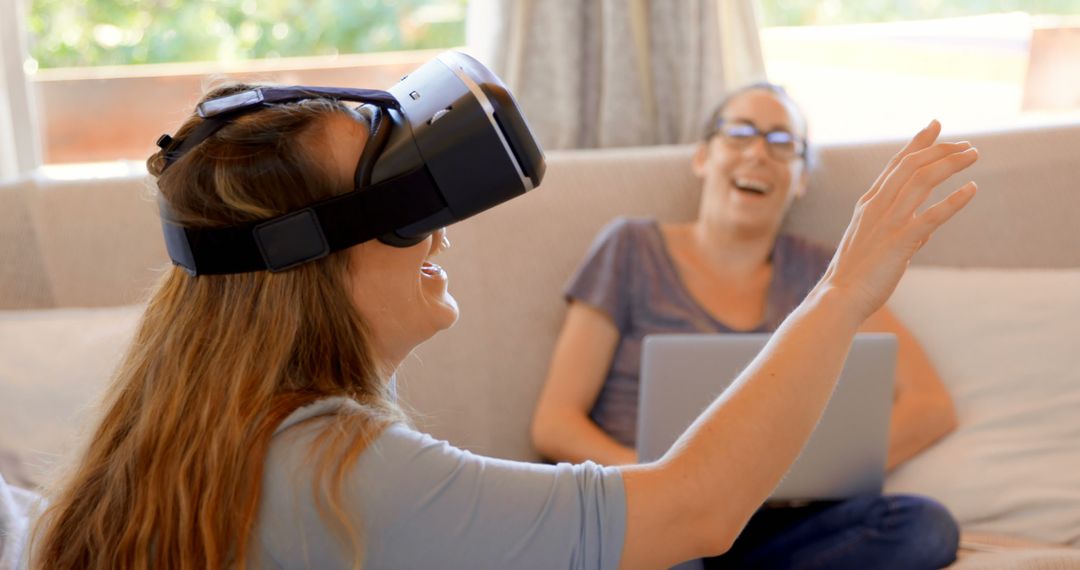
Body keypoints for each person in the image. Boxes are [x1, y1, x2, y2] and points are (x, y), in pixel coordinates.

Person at [27, 80, 977, 570]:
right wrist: (847, 288)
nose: (439, 227)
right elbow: (694, 506)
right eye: (402, 206)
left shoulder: (192, 425)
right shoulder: (337, 468)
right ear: (304, 268)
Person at [531, 83, 963, 569]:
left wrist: (774, 470)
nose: (758, 153)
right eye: (739, 133)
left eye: (782, 143)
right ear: (702, 157)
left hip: (775, 524)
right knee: (672, 556)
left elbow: (931, 407)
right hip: (652, 510)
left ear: (800, 178)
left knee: (922, 527)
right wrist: (664, 484)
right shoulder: (631, 248)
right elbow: (555, 423)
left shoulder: (828, 274)